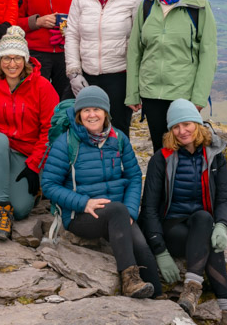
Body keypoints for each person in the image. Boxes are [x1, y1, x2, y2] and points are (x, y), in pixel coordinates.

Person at [41, 87, 161, 298]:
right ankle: (129, 280)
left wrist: (131, 211)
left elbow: (134, 177)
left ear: (106, 112)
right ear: (79, 114)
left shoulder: (119, 139)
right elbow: (49, 185)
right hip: (80, 216)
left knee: (141, 246)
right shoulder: (66, 143)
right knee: (117, 211)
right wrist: (83, 203)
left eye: (97, 109)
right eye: (86, 110)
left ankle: (159, 299)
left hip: (118, 213)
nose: (92, 114)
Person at [139, 99, 227, 324]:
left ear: (197, 125)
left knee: (205, 219)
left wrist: (223, 226)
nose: (182, 131)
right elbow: (148, 207)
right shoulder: (161, 159)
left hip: (201, 225)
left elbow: (224, 199)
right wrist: (159, 250)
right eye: (176, 127)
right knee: (208, 240)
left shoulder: (215, 156)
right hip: (172, 228)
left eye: (186, 124)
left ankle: (192, 289)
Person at [0, 26, 59, 239]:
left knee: (22, 210)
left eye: (17, 58)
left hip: (24, 151)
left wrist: (34, 165)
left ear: (25, 59)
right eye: (6, 58)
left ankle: (17, 197)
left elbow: (49, 130)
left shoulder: (42, 87)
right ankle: (2, 209)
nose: (12, 64)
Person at [126, 0, 217, 153]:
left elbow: (208, 53)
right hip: (152, 94)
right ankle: (163, 188)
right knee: (161, 150)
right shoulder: (147, 5)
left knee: (187, 150)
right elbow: (135, 50)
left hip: (183, 92)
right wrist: (132, 92)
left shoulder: (198, 6)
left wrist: (199, 96)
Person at [64, 0, 143, 137]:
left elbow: (139, 42)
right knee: (81, 128)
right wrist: (74, 73)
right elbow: (72, 34)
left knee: (117, 131)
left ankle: (118, 167)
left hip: (119, 76)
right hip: (86, 75)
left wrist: (136, 83)